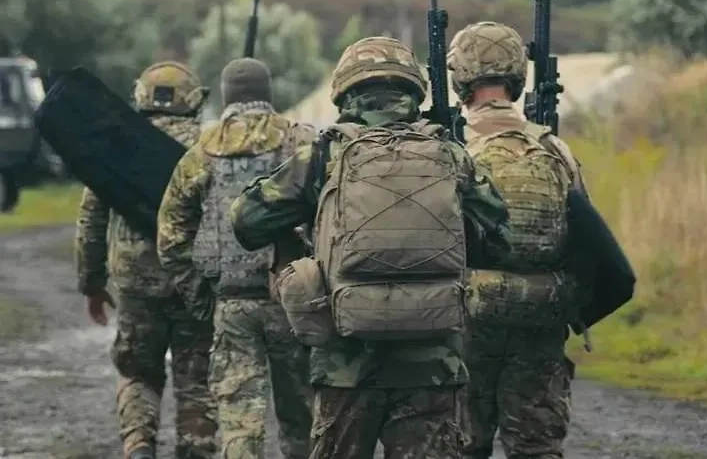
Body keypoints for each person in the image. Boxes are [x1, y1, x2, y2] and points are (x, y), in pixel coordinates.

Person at [229, 36, 512, 459]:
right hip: (433, 364)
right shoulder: (450, 153)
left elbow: (246, 222)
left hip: (345, 365)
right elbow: (501, 237)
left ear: (345, 90)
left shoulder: (323, 155)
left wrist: (300, 242)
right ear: (413, 90)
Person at [156, 57, 315, 459]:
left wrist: (200, 296)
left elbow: (171, 235)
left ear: (227, 96)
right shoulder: (301, 142)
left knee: (240, 422)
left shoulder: (202, 152)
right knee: (303, 416)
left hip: (231, 304)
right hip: (293, 302)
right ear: (268, 93)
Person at [446, 21, 591, 459]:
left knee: (461, 445)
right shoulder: (554, 149)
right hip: (541, 317)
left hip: (468, 320)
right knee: (536, 446)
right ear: (517, 76)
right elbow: (584, 235)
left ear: (460, 77)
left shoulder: (451, 148)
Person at [74, 62, 217, 459]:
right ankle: (196, 447)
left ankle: (139, 445)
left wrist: (92, 282)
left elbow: (91, 220)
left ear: (141, 96)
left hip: (135, 282)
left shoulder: (116, 143)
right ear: (193, 98)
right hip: (194, 280)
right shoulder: (209, 146)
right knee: (197, 376)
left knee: (137, 370)